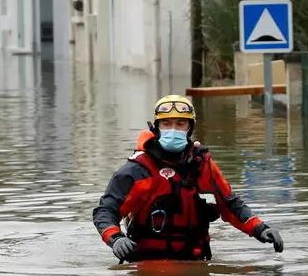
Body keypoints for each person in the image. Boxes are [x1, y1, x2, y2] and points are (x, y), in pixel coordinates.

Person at [93, 94, 283, 262]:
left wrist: (260, 229)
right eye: (166, 124)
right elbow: (106, 211)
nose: (173, 129)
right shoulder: (137, 170)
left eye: (180, 123)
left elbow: (230, 205)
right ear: (156, 127)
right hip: (148, 263)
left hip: (195, 260)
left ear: (190, 128)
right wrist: (115, 238)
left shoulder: (202, 165)